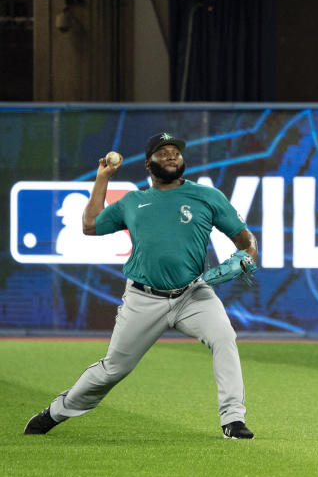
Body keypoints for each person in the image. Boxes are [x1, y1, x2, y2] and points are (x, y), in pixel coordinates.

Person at [25, 132, 258, 439]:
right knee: (113, 369)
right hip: (143, 298)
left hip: (193, 294)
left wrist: (248, 256)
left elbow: (245, 241)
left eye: (176, 151)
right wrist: (102, 178)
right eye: (163, 152)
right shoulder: (134, 201)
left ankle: (233, 420)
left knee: (224, 337)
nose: (172, 156)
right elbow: (89, 225)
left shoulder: (207, 196)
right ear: (149, 163)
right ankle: (57, 411)